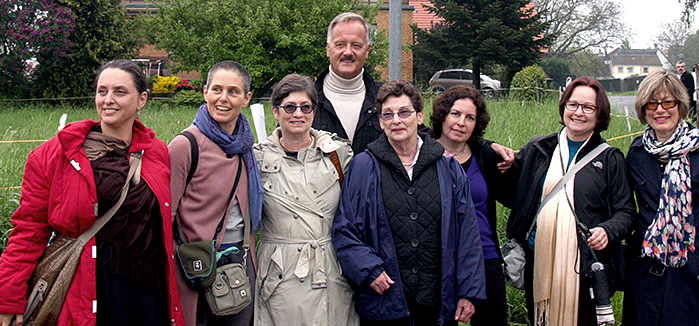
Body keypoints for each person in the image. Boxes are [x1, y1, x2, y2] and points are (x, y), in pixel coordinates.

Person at [0, 60, 184, 326]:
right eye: (102, 91)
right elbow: (28, 230)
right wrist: (6, 296)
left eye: (120, 91)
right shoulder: (54, 156)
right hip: (87, 287)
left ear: (141, 100)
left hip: (146, 290)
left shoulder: (156, 152)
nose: (108, 100)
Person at [332, 80, 485, 326]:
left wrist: (468, 291)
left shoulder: (448, 168)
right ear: (381, 122)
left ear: (420, 116)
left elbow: (467, 232)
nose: (396, 120)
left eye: (404, 112)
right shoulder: (364, 166)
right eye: (388, 114)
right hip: (384, 300)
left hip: (435, 303)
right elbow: (344, 228)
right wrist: (369, 270)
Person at [505, 76, 634, 326]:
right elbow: (512, 193)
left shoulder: (610, 159)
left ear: (600, 114)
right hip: (538, 263)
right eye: (573, 105)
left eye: (588, 107)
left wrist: (607, 231)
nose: (578, 112)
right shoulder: (539, 149)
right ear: (564, 106)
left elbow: (626, 213)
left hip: (584, 269)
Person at [623, 70, 699, 326]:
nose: (660, 110)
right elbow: (623, 209)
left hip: (694, 274)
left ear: (681, 105)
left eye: (668, 102)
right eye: (652, 104)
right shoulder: (637, 152)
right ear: (643, 110)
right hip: (644, 275)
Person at [253, 74, 358, 326]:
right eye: (289, 107)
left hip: (331, 270)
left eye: (305, 106)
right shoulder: (257, 159)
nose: (297, 113)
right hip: (281, 274)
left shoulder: (339, 154)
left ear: (314, 111)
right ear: (276, 112)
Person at [169, 61, 263, 326]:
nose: (223, 98)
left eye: (233, 92)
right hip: (196, 264)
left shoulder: (247, 146)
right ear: (205, 92)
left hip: (241, 259)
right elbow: (167, 213)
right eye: (217, 89)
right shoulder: (185, 145)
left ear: (246, 99)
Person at [429, 86, 515, 325]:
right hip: (441, 260)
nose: (461, 123)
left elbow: (516, 196)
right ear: (442, 115)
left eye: (470, 118)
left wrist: (493, 147)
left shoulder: (486, 156)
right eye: (455, 114)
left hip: (485, 258)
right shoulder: (424, 155)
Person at [313, 12, 383, 155]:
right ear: (328, 49)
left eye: (356, 45)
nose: (348, 52)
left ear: (367, 50)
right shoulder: (306, 101)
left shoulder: (387, 98)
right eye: (340, 45)